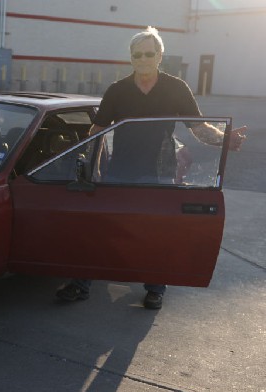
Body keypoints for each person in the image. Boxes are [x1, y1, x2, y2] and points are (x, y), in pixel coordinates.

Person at [56, 26, 247, 309]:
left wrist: (225, 140)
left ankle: (156, 287)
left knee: (157, 231)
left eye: (148, 53)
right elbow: (96, 134)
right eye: (137, 55)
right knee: (101, 227)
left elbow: (198, 127)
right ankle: (81, 283)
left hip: (159, 172)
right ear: (130, 58)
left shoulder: (176, 88)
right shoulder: (117, 90)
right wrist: (91, 174)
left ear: (159, 55)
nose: (143, 59)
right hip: (120, 171)